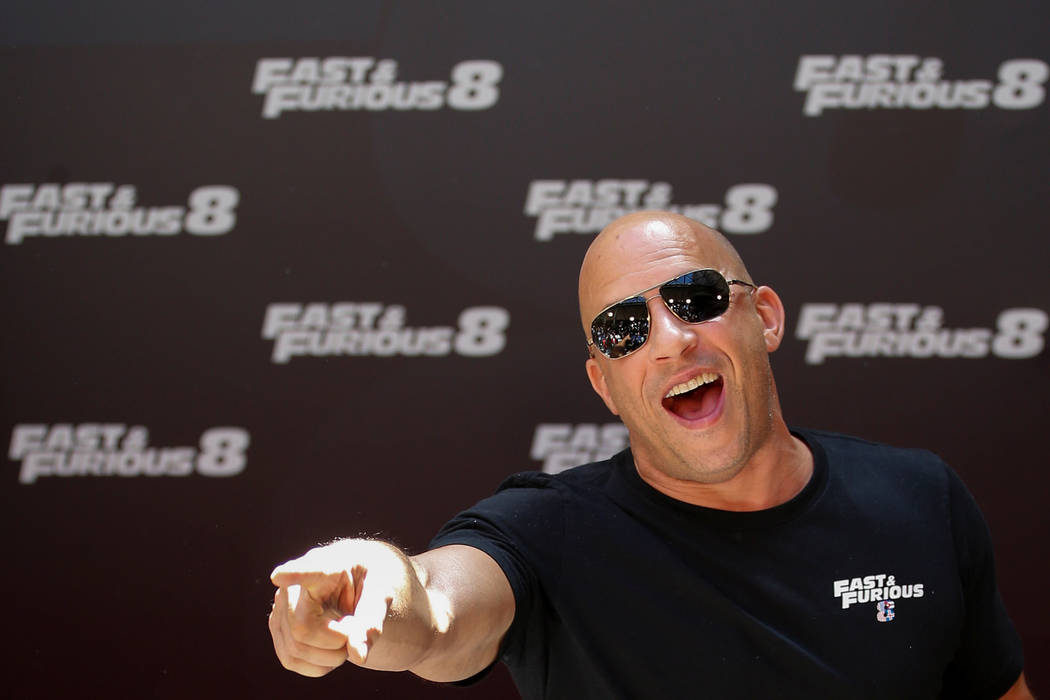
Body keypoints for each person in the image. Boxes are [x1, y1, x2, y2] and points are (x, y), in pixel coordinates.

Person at [268, 212, 1030, 698]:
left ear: (764, 317)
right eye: (623, 329)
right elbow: (439, 613)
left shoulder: (919, 497)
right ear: (604, 382)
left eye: (696, 298)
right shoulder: (546, 532)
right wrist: (374, 582)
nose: (670, 339)